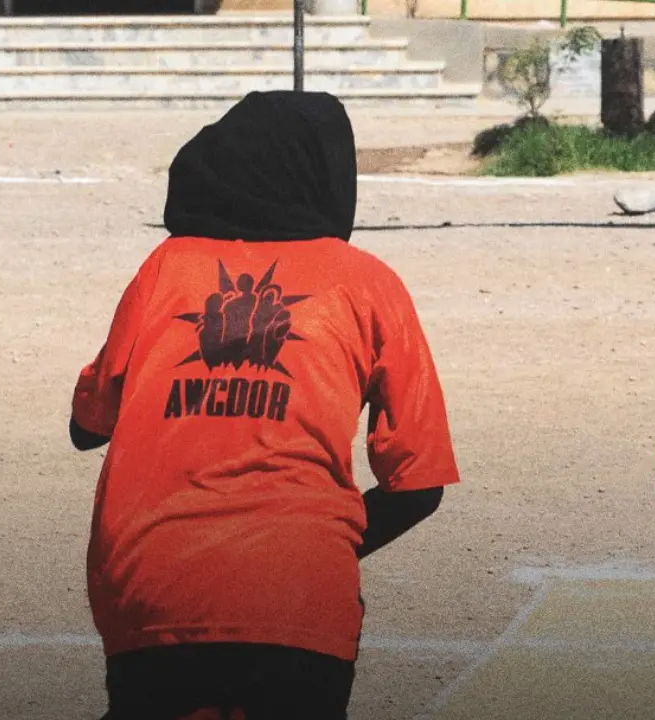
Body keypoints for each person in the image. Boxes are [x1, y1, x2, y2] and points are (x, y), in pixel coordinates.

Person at [69, 90, 461, 719]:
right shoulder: (368, 282)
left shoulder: (165, 267)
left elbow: (88, 426)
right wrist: (316, 544)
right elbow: (419, 486)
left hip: (151, 582)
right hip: (302, 590)